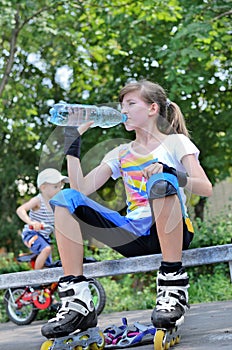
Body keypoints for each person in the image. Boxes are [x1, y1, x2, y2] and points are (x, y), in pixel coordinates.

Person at [41, 80, 212, 338]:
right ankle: (78, 301)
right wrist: (72, 141)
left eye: (131, 104)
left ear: (152, 108)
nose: (124, 110)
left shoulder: (176, 143)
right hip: (132, 234)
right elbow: (80, 189)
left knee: (161, 181)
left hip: (171, 232)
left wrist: (171, 173)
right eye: (122, 105)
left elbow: (205, 187)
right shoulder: (121, 152)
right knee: (65, 199)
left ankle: (172, 287)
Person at [16, 168, 69, 270]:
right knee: (46, 249)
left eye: (61, 186)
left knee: (48, 264)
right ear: (43, 187)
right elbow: (20, 210)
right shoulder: (38, 200)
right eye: (55, 186)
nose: (59, 189)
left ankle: (43, 284)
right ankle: (37, 279)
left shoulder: (56, 204)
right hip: (31, 234)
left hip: (44, 237)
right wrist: (31, 222)